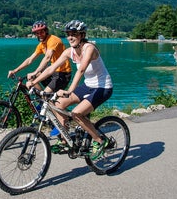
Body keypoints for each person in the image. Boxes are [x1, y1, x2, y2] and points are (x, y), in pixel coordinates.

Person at [26, 20, 113, 160]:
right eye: (68, 34)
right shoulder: (69, 51)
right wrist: (34, 81)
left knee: (76, 114)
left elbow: (82, 69)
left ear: (82, 35)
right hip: (88, 85)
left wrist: (69, 90)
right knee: (56, 104)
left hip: (103, 87)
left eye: (74, 34)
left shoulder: (89, 48)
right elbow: (51, 68)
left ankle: (101, 141)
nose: (70, 37)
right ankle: (65, 139)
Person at [8, 20, 72, 94]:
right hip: (53, 71)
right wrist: (14, 71)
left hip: (63, 73)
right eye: (37, 33)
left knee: (45, 94)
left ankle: (45, 100)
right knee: (31, 78)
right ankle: (43, 101)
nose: (39, 34)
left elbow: (47, 58)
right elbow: (30, 60)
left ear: (46, 31)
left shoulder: (53, 40)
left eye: (41, 32)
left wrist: (35, 72)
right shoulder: (42, 44)